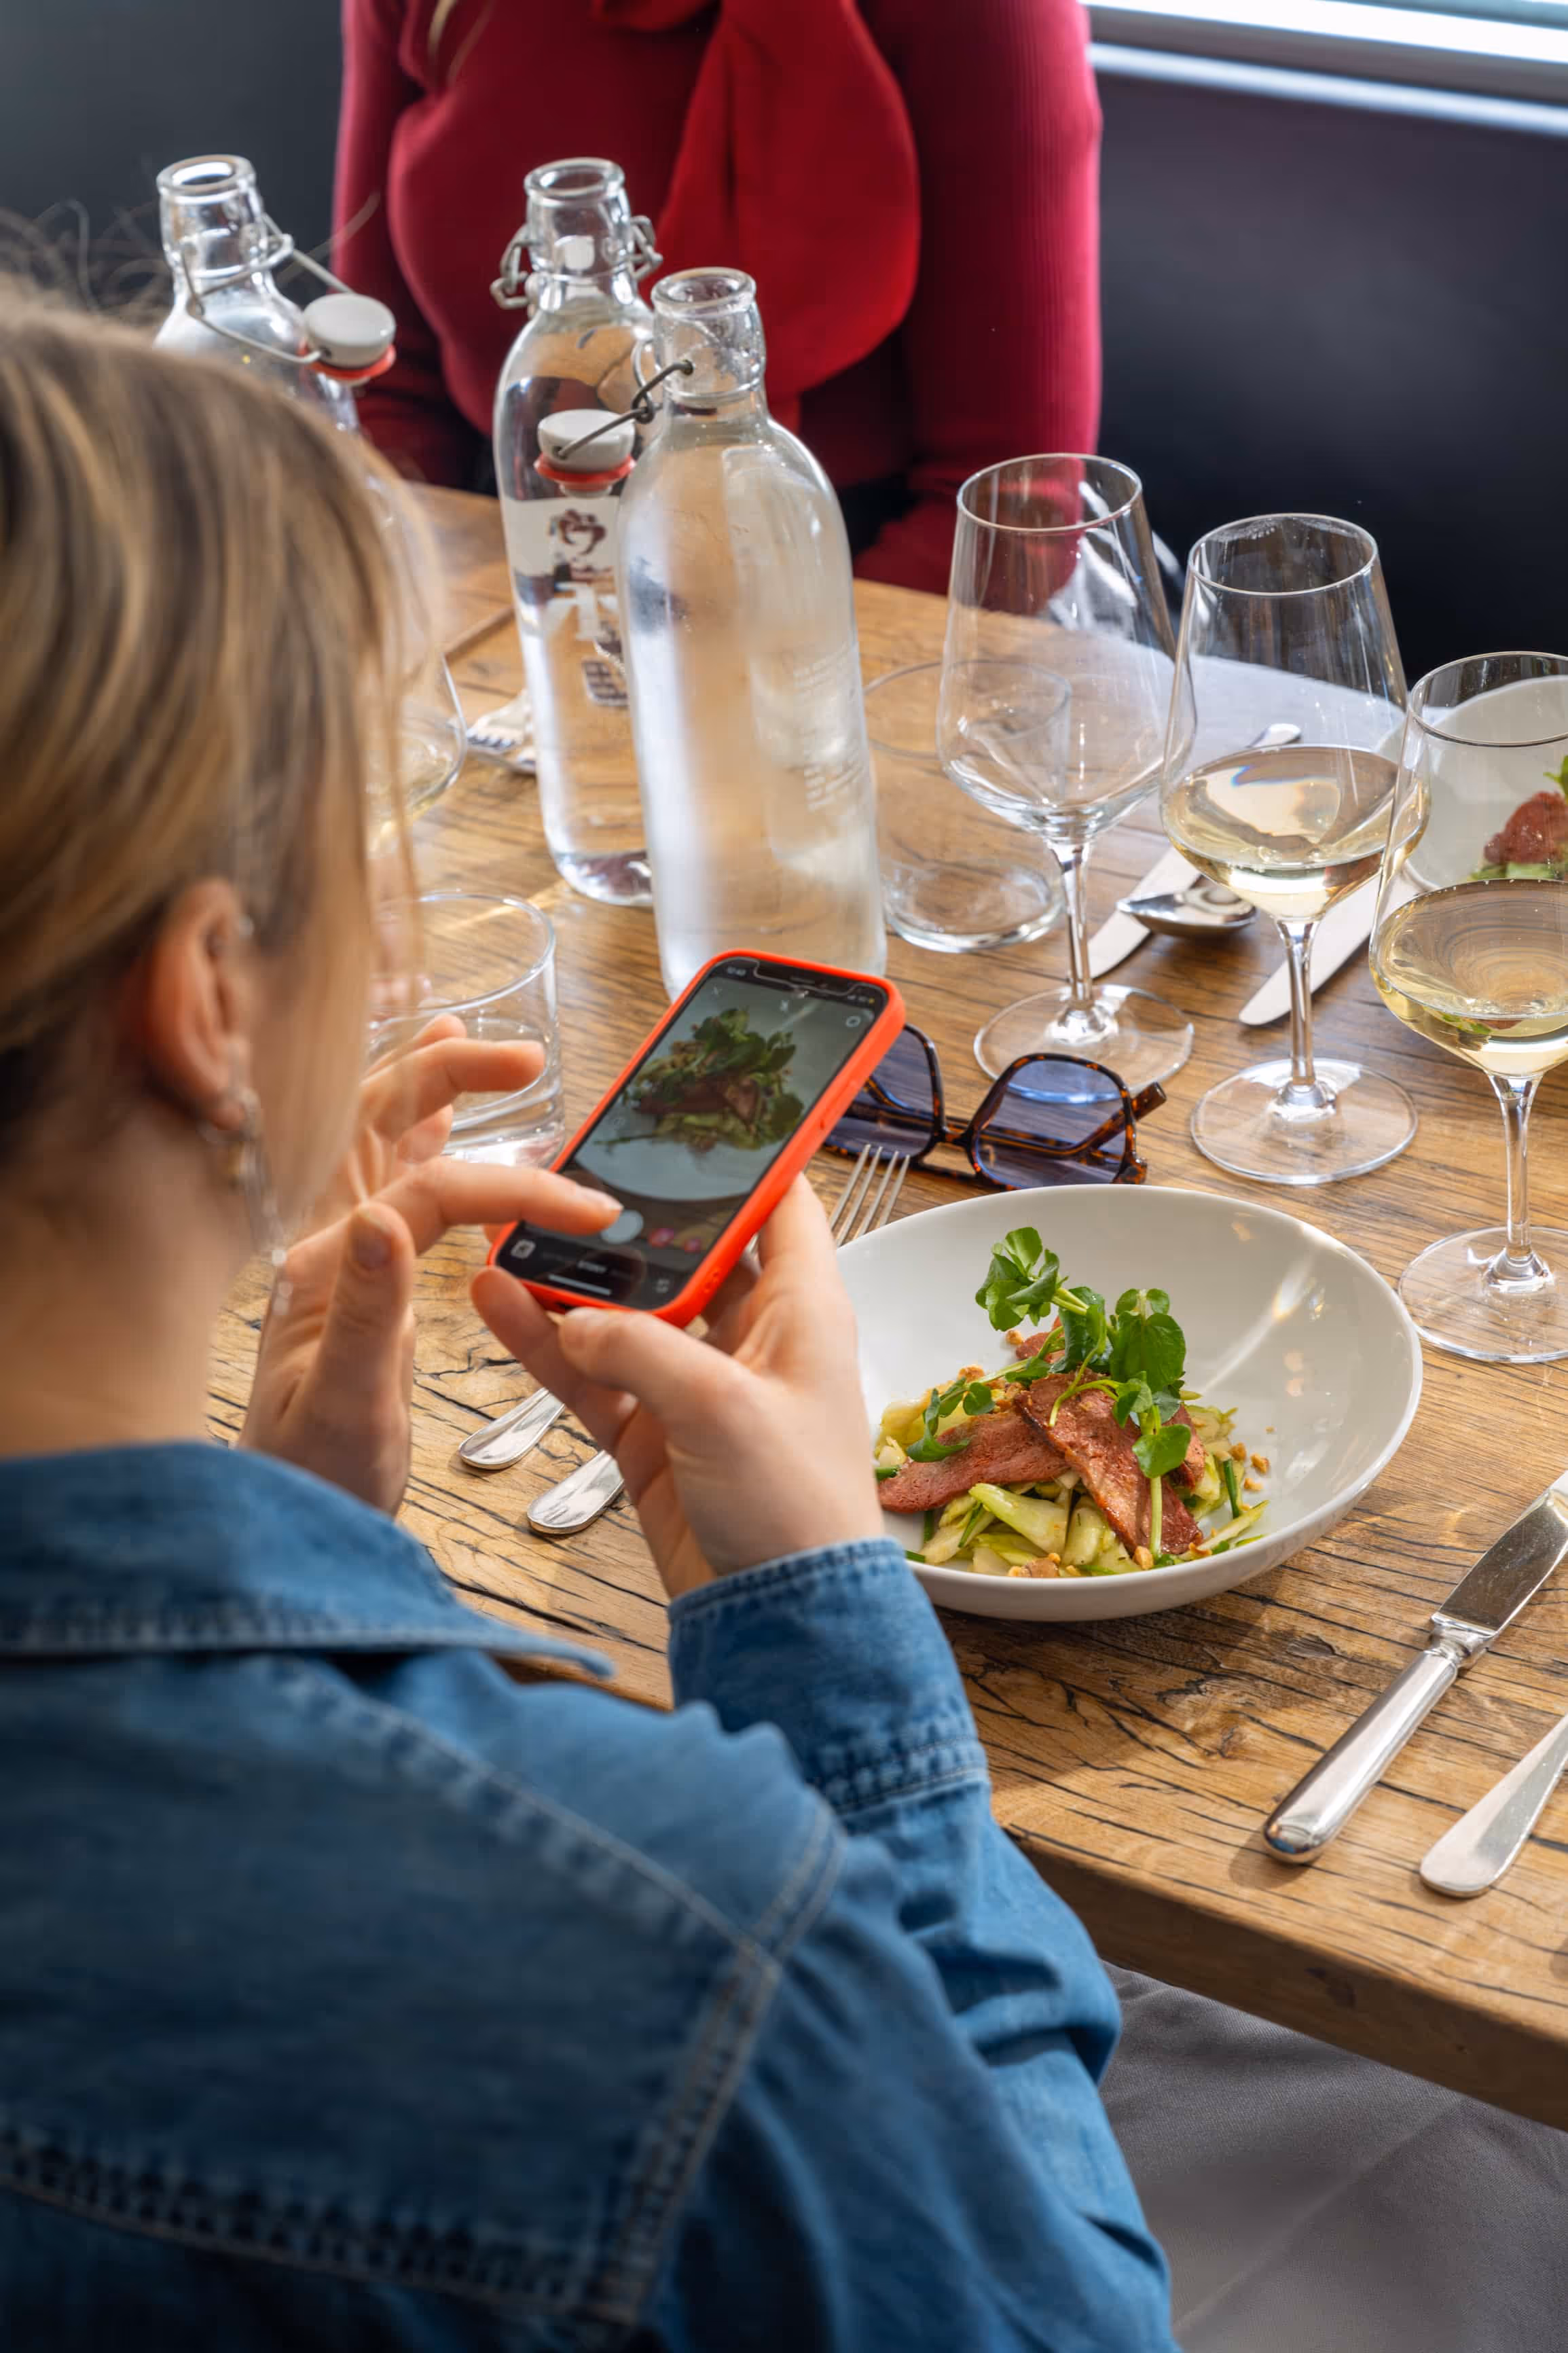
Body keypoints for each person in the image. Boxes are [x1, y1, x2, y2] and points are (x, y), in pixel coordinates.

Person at [0, 296, 1175, 2346]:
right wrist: (833, 1634)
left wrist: (320, 1543)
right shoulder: (667, 1935)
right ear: (207, 1001)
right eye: (367, 829)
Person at [333, 0, 1102, 592]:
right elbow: (384, 392)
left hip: (851, 592)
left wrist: (750, 689)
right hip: (518, 561)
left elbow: (1013, 510)